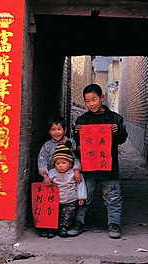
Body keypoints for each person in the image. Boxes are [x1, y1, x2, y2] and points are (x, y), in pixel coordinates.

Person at [67, 84, 128, 239]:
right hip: (88, 168)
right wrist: (76, 132)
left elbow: (122, 139)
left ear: (102, 98)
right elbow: (77, 142)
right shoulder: (83, 119)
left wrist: (118, 130)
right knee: (84, 197)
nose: (91, 104)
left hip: (109, 168)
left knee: (113, 197)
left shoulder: (114, 118)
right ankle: (79, 222)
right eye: (87, 101)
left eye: (94, 99)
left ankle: (114, 224)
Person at [36, 114, 82, 237]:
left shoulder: (70, 143)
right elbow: (42, 160)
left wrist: (77, 170)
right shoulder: (47, 146)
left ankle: (63, 227)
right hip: (52, 179)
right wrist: (45, 175)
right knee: (51, 206)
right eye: (53, 130)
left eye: (59, 129)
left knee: (68, 207)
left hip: (67, 178)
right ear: (49, 131)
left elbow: (76, 157)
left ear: (65, 130)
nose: (56, 132)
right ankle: (51, 227)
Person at [47, 144, 87, 238]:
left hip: (70, 200)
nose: (60, 166)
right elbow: (47, 187)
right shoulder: (52, 173)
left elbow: (80, 185)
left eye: (63, 163)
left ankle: (63, 228)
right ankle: (52, 228)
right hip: (56, 200)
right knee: (54, 214)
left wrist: (81, 197)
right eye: (57, 163)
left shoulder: (74, 174)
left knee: (67, 215)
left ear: (70, 163)